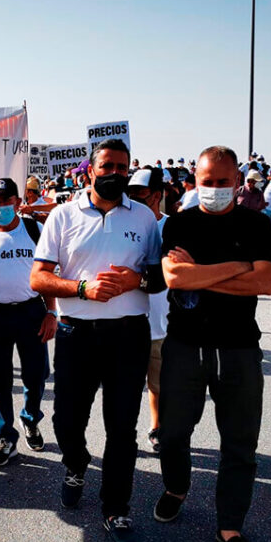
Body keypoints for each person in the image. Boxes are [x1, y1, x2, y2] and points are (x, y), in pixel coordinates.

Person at [30, 138, 163, 542]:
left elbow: (159, 278)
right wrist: (81, 288)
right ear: (90, 170)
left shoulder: (144, 217)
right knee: (66, 421)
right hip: (76, 333)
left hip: (128, 334)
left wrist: (136, 280)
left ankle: (116, 507)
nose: (115, 174)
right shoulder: (63, 215)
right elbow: (38, 277)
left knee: (122, 427)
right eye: (107, 166)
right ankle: (76, 464)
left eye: (122, 167)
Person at [153, 145, 271, 542]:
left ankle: (230, 526)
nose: (216, 188)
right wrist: (238, 266)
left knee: (240, 443)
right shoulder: (179, 223)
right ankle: (176, 488)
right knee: (172, 433)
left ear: (238, 181)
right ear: (195, 181)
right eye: (208, 182)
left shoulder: (256, 223)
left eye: (224, 181)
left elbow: (265, 282)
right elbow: (174, 277)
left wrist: (199, 276)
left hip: (239, 348)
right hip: (184, 345)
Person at [0, 178, 56, 466]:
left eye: (6, 200)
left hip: (31, 312)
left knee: (36, 375)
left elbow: (47, 274)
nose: (0, 206)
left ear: (17, 202)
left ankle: (30, 418)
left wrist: (52, 313)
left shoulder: (34, 230)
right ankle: (5, 436)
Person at [125, 170, 168, 453]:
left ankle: (157, 427)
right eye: (130, 193)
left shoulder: (173, 228)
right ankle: (124, 435)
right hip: (127, 323)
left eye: (140, 193)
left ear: (157, 195)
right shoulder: (123, 225)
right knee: (125, 388)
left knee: (159, 385)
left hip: (162, 325)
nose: (134, 198)